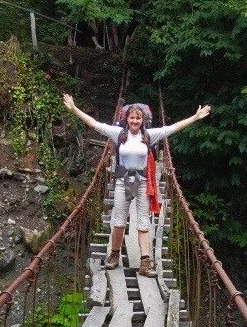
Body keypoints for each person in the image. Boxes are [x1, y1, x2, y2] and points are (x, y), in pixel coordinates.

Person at [63, 94, 210, 276]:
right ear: (127, 119)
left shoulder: (149, 135)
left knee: (143, 223)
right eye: (132, 117)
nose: (134, 121)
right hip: (122, 182)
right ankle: (114, 256)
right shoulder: (119, 134)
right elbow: (94, 124)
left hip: (141, 183)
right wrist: (74, 108)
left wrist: (195, 118)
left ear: (142, 120)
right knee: (118, 221)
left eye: (138, 118)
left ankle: (145, 264)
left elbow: (172, 128)